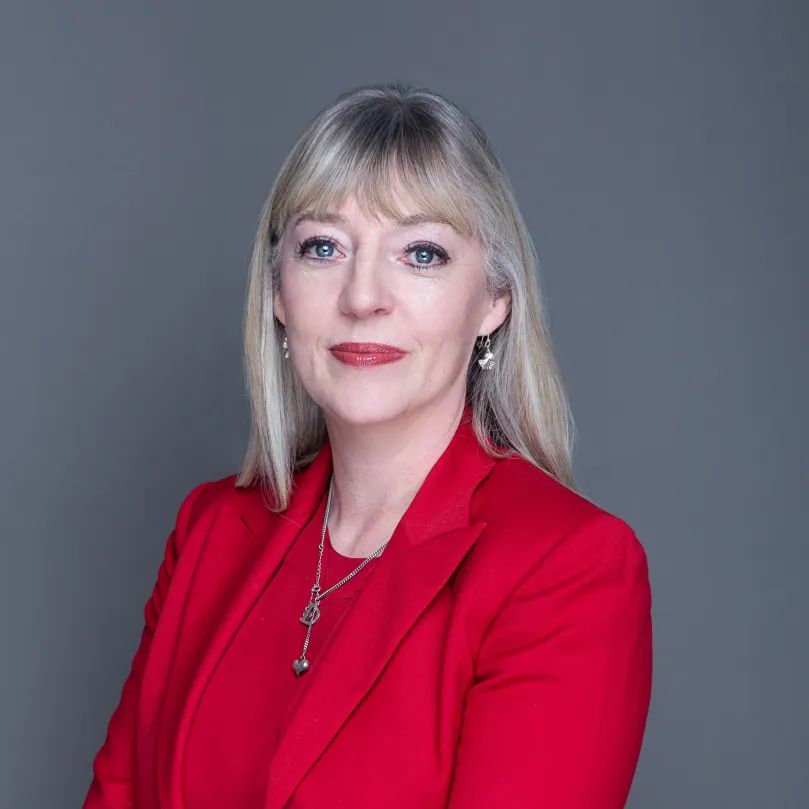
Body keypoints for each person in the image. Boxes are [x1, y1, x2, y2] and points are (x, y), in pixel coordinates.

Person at [82, 82, 653, 809]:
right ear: (278, 293)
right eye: (323, 247)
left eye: (421, 253)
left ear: (493, 301)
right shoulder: (208, 532)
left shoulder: (567, 567)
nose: (361, 297)